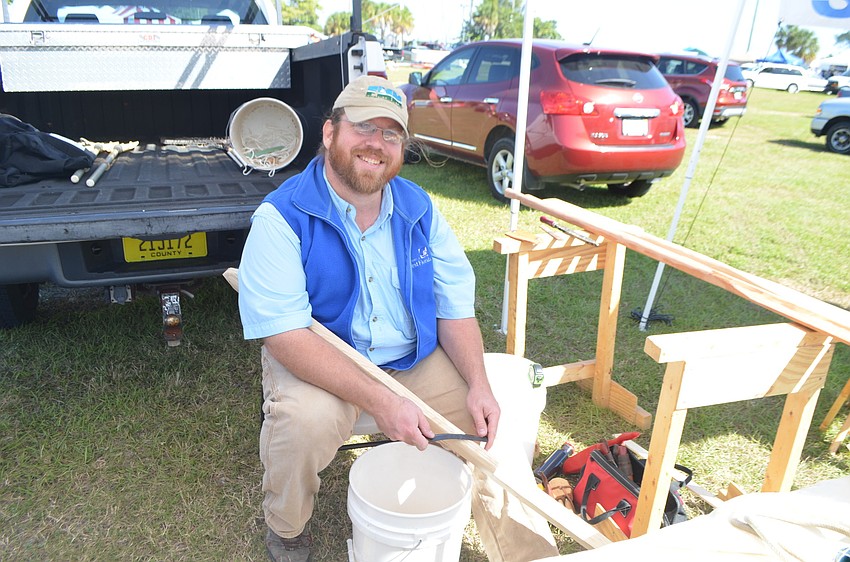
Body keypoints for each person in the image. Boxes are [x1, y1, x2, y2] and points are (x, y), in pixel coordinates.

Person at [237, 75, 558, 562]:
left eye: (391, 134)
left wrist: (477, 383)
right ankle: (287, 527)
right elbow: (286, 338)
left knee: (494, 434)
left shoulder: (420, 209)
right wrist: (380, 401)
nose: (376, 144)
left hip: (411, 358)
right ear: (330, 133)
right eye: (364, 127)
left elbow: (453, 307)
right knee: (303, 422)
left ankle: (531, 554)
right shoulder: (281, 218)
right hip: (323, 357)